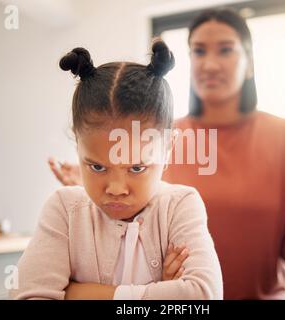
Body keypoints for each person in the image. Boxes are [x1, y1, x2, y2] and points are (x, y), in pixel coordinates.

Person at [48, 9, 285, 299]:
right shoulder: (151, 140)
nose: (209, 64)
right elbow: (127, 248)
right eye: (199, 51)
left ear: (250, 63)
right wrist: (91, 194)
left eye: (225, 50)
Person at [11, 40, 223, 300]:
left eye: (136, 167)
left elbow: (202, 296)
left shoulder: (180, 205)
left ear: (168, 148)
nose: (116, 189)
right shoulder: (64, 211)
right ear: (78, 145)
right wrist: (159, 293)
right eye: (98, 166)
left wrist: (75, 293)